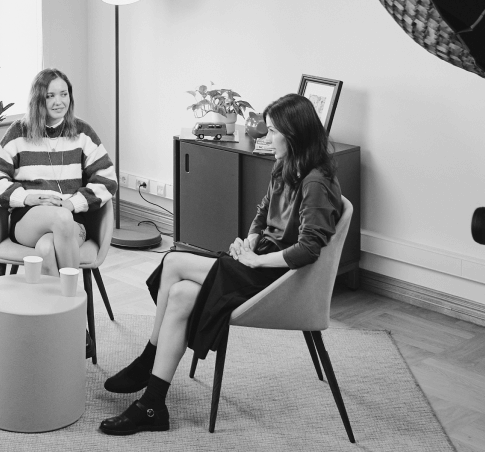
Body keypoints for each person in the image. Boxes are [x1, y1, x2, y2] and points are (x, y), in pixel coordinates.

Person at [98, 93, 343, 435]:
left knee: (173, 261)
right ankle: (152, 405)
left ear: (295, 135)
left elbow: (309, 249)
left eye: (273, 132)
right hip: (258, 264)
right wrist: (250, 240)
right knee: (181, 294)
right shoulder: (286, 165)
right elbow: (263, 213)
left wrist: (258, 260)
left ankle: (147, 359)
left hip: (277, 281)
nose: (267, 137)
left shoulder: (315, 181)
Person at [0, 68, 116, 277]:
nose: (59, 102)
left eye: (64, 94)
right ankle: (72, 296)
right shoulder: (19, 133)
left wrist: (72, 204)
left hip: (73, 221)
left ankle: (53, 299)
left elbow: (107, 179)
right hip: (28, 219)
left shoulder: (83, 133)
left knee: (46, 248)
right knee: (61, 218)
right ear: (38, 99)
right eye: (50, 96)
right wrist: (26, 198)